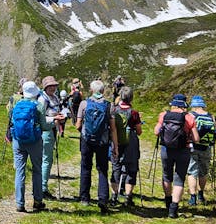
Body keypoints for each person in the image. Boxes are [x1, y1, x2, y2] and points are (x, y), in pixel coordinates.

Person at [76, 80, 118, 213]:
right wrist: (115, 145)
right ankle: (103, 199)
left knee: (85, 167)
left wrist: (84, 132)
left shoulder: (84, 103)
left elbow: (77, 125)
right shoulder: (108, 105)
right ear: (103, 90)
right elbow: (113, 128)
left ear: (91, 90)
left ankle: (84, 198)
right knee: (102, 169)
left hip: (87, 140)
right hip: (103, 141)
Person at [154, 93, 199, 218]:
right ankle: (173, 209)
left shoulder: (164, 115)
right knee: (179, 178)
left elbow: (156, 131)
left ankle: (168, 201)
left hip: (166, 150)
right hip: (183, 151)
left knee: (166, 175)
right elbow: (196, 138)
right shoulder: (189, 118)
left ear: (173, 103)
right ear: (184, 104)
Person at [9, 81, 49, 212]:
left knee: (20, 171)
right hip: (35, 142)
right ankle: (37, 201)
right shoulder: (39, 106)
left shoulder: (15, 104)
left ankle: (20, 203)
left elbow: (11, 121)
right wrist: (55, 122)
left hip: (18, 141)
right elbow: (44, 126)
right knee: (37, 170)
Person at [110, 86, 143, 207]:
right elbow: (139, 131)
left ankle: (114, 196)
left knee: (116, 167)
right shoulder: (134, 113)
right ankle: (128, 197)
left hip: (116, 141)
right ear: (131, 98)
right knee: (131, 169)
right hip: (131, 144)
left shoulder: (114, 110)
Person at [187, 95, 216, 205]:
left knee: (192, 172)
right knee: (203, 172)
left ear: (193, 105)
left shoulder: (191, 115)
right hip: (206, 147)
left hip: (193, 147)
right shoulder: (211, 116)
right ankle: (201, 195)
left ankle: (192, 197)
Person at [38, 76, 67, 199]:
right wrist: (55, 118)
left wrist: (61, 115)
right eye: (50, 86)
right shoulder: (42, 99)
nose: (53, 88)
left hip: (53, 129)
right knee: (46, 159)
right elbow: (40, 118)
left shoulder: (54, 97)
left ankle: (42, 187)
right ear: (45, 87)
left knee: (48, 159)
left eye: (54, 86)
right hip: (46, 131)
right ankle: (42, 188)